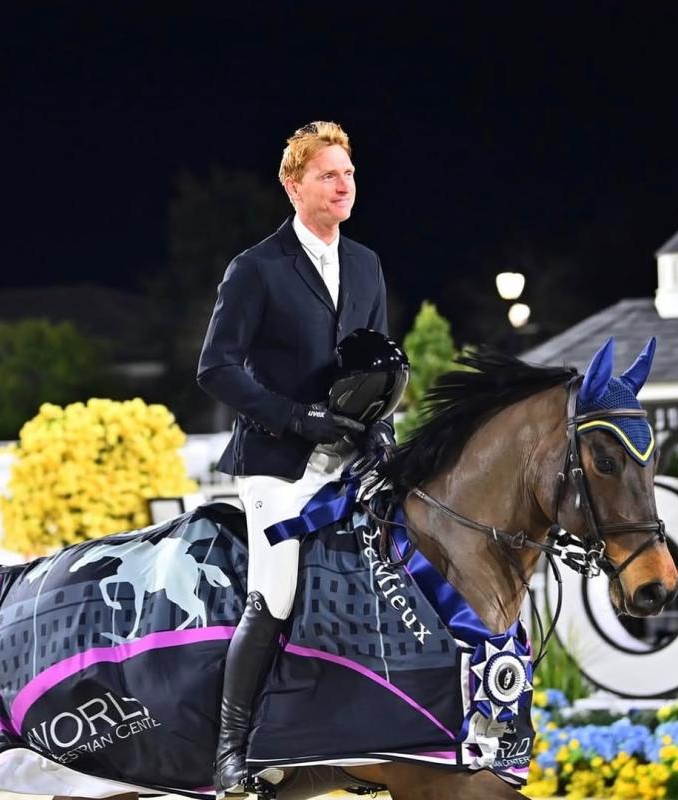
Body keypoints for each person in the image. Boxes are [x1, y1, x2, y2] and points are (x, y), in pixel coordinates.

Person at [197, 121, 394, 795]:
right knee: (278, 589)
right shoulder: (256, 268)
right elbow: (215, 368)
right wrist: (296, 416)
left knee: (384, 575)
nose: (344, 186)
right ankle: (230, 752)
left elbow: (376, 361)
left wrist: (379, 423)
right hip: (275, 460)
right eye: (329, 175)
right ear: (292, 184)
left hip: (345, 454)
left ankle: (356, 739)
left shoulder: (366, 264)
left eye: (350, 174)